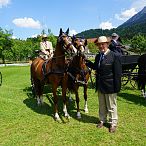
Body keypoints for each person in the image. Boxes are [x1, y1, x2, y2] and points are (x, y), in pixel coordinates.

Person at [86, 36, 122, 133]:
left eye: (103, 44)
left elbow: (118, 74)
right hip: (100, 85)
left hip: (111, 86)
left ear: (107, 44)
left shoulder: (114, 56)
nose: (101, 46)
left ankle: (113, 123)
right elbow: (96, 67)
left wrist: (117, 88)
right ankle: (102, 120)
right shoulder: (98, 56)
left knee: (111, 106)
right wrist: (87, 62)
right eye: (99, 44)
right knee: (102, 105)